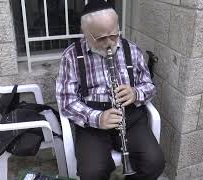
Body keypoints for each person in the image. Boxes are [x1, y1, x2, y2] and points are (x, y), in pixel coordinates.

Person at [56, 1, 165, 179]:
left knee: (155, 163)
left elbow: (149, 86)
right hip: (92, 122)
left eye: (114, 35)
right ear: (85, 33)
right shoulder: (71, 56)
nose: (109, 43)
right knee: (91, 173)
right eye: (100, 38)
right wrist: (97, 118)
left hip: (130, 119)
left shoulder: (132, 50)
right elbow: (66, 102)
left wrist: (135, 93)